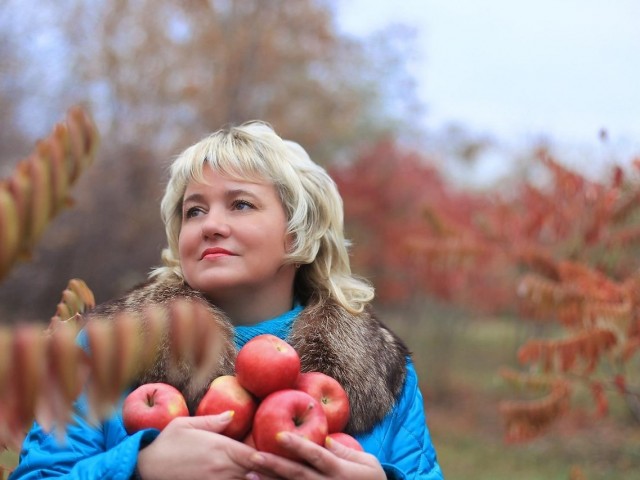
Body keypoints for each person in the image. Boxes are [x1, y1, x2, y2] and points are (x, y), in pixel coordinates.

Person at [10, 121, 444, 479]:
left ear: (298, 231)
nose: (210, 225)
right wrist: (139, 469)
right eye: (194, 211)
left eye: (240, 204)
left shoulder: (384, 371)